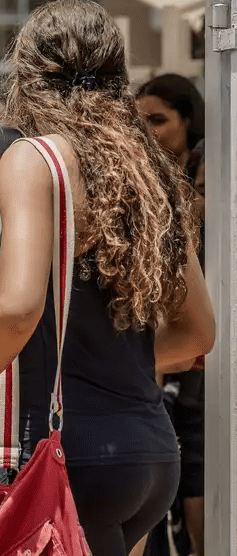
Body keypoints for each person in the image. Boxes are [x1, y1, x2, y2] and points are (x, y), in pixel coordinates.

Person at [0, 0, 215, 556]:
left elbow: (19, 306)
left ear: (29, 73)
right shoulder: (151, 169)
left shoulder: (35, 159)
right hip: (146, 452)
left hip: (64, 452)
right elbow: (197, 333)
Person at [135, 75, 207, 556]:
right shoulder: (137, 182)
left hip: (200, 353)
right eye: (139, 122)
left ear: (188, 120)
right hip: (158, 350)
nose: (149, 133)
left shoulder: (208, 170)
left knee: (196, 466)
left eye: (158, 120)